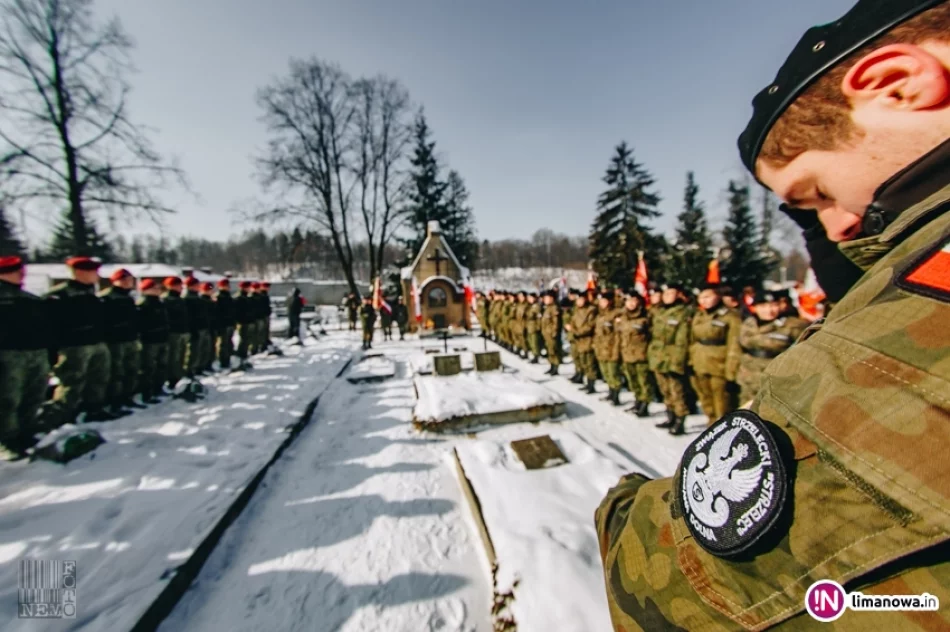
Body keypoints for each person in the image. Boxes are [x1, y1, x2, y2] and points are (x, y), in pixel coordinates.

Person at [597, 2, 950, 629]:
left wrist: (617, 507)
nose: (838, 231)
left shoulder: (901, 347)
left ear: (896, 85)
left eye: (816, 194)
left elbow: (657, 582)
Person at [46, 256, 114, 424]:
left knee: (98, 378)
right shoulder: (59, 296)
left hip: (97, 342)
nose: (98, 275)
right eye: (93, 271)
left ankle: (94, 409)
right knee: (71, 383)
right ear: (80, 272)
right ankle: (63, 418)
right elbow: (51, 325)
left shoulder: (92, 293)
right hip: (73, 346)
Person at [0, 256, 51, 459]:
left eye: (21, 270)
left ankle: (26, 433)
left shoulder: (30, 299)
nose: (21, 273)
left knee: (34, 395)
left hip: (36, 353)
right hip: (8, 355)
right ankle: (7, 439)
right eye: (15, 270)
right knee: (8, 398)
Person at [736, 290, 809, 404]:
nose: (769, 310)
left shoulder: (794, 325)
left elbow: (804, 354)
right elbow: (738, 348)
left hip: (777, 378)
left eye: (773, 305)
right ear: (755, 307)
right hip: (748, 376)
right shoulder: (748, 323)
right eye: (763, 306)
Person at [688, 284, 742, 425]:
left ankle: (723, 427)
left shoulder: (730, 316)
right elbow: (692, 339)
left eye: (708, 296)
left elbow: (734, 344)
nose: (704, 300)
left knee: (721, 399)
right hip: (699, 361)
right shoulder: (699, 315)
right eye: (701, 297)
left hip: (719, 364)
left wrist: (731, 369)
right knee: (705, 397)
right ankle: (711, 423)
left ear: (718, 296)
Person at [647, 284, 691, 435]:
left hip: (672, 358)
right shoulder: (659, 312)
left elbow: (682, 341)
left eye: (671, 293)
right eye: (665, 293)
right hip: (658, 357)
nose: (667, 296)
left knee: (676, 392)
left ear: (678, 295)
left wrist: (677, 362)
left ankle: (680, 421)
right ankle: (670, 417)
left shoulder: (682, 313)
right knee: (665, 391)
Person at [99, 268, 141, 416]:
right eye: (124, 280)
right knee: (116, 372)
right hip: (115, 341)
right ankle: (114, 402)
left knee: (131, 369)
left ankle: (127, 397)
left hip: (130, 338)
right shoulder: (106, 298)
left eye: (130, 280)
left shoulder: (128, 298)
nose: (128, 283)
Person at [618, 290, 654, 417]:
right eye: (628, 301)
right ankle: (638, 400)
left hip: (641, 355)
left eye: (634, 301)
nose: (631, 304)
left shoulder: (646, 317)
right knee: (633, 381)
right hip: (627, 354)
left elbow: (652, 336)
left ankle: (645, 404)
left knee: (644, 381)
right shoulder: (622, 317)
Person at [136, 278, 169, 404]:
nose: (157, 290)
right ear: (145, 290)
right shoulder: (143, 305)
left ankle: (158, 388)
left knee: (161, 365)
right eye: (154, 288)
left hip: (161, 338)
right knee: (148, 368)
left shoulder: (160, 303)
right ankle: (147, 393)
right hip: (149, 341)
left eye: (158, 288)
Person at [593, 290, 624, 405]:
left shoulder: (616, 314)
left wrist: (616, 351)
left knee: (613, 373)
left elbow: (617, 335)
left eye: (604, 300)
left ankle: (616, 395)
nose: (602, 303)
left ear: (610, 301)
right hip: (601, 348)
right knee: (606, 372)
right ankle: (611, 392)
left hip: (611, 348)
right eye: (601, 300)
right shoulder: (600, 314)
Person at [565, 291, 597, 392]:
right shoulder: (577, 310)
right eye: (578, 300)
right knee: (582, 362)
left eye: (581, 299)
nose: (579, 302)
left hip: (587, 340)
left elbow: (589, 326)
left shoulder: (591, 310)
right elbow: (572, 322)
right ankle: (585, 381)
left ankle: (591, 385)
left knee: (589, 363)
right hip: (578, 340)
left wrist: (574, 331)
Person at [162, 276, 190, 389]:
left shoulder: (179, 299)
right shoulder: (166, 300)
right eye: (179, 285)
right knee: (173, 357)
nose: (181, 288)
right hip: (173, 332)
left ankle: (179, 376)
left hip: (182, 331)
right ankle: (172, 379)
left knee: (181, 356)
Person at [213, 278, 236, 369]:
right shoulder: (218, 297)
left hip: (229, 323)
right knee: (223, 344)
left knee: (229, 343)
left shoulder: (228, 297)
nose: (227, 287)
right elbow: (217, 313)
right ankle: (223, 361)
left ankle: (228, 359)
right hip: (223, 324)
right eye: (225, 286)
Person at [540, 290, 563, 375]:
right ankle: (552, 365)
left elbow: (555, 322)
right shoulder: (547, 308)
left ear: (552, 298)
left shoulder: (554, 308)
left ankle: (556, 367)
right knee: (549, 351)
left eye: (547, 298)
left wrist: (554, 333)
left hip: (551, 334)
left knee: (554, 351)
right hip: (547, 334)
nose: (545, 300)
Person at [524, 292, 543, 363]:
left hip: (534, 327)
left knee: (535, 343)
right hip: (530, 327)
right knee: (531, 342)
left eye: (531, 298)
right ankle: (534, 354)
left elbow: (538, 318)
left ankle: (536, 356)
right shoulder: (530, 306)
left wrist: (538, 327)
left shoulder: (537, 306)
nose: (529, 299)